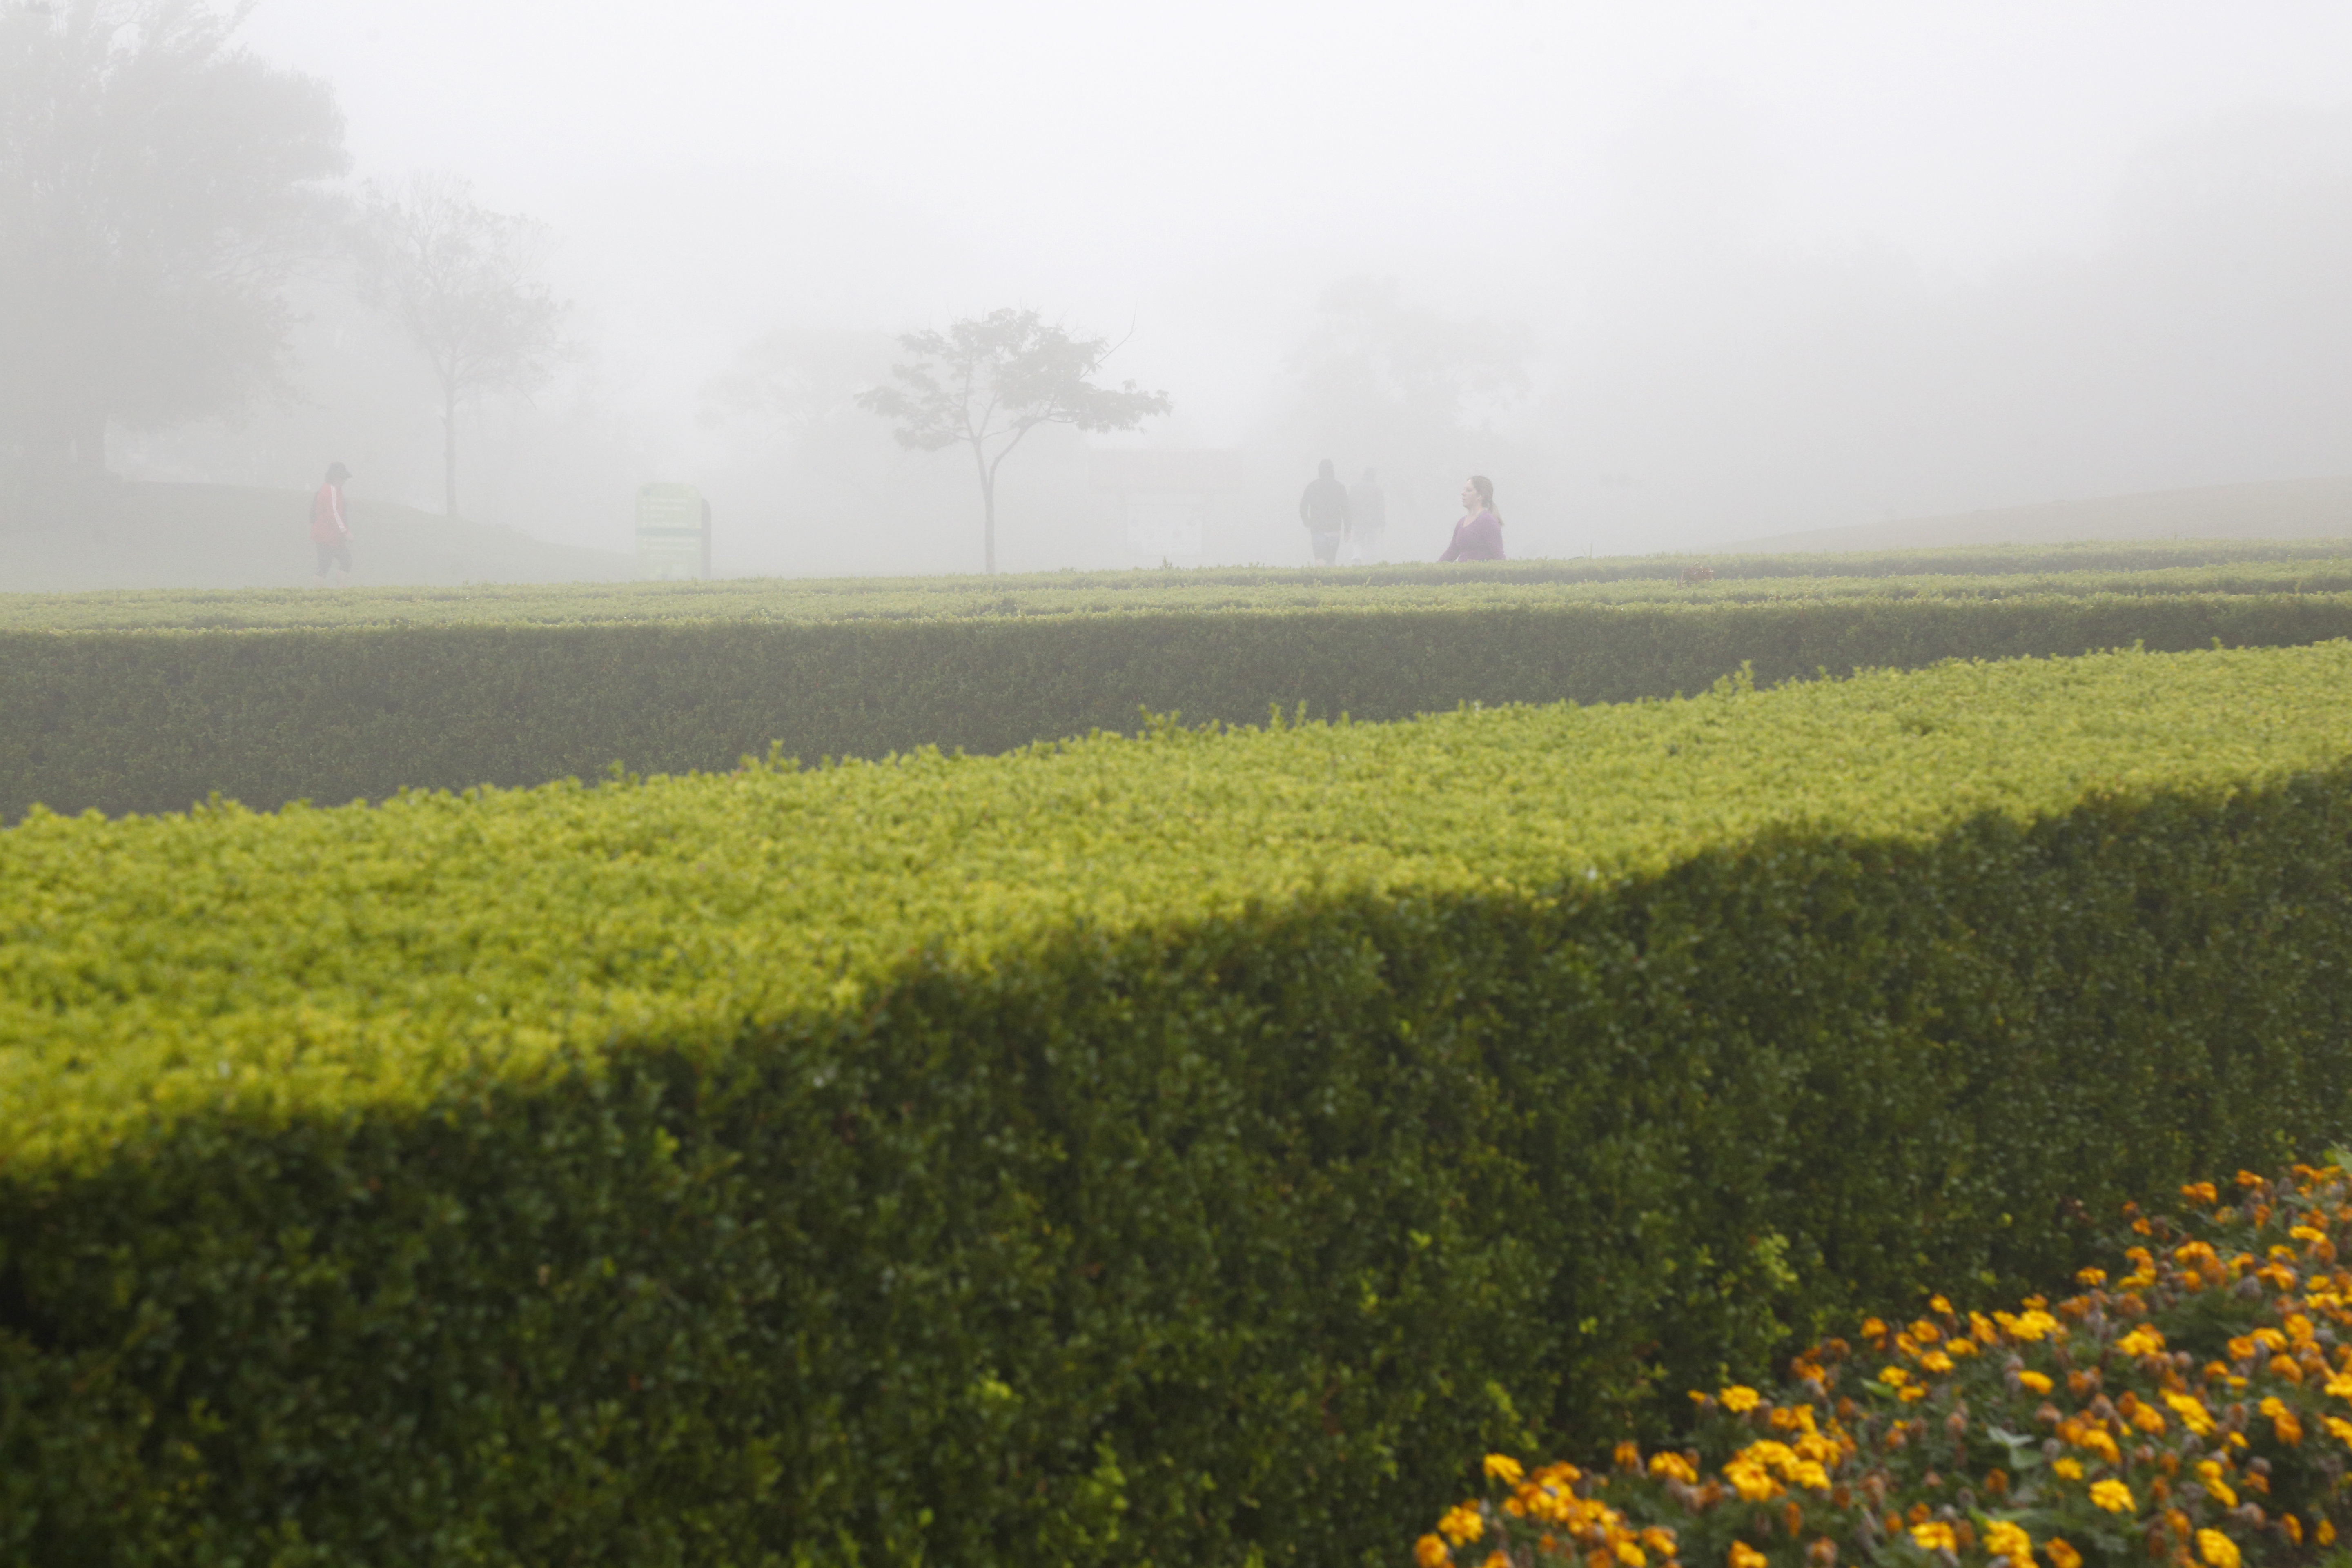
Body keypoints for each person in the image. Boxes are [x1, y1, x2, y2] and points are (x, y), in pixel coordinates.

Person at [1437, 474, 1506, 561]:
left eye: (1468, 490)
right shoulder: (1461, 522)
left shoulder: (1488, 521)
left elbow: (1499, 557)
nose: (1463, 493)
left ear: (1481, 496)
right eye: (1464, 489)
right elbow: (1452, 552)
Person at [1298, 458, 1351, 566]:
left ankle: (1320, 581)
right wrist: (1348, 528)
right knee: (1331, 560)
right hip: (1334, 528)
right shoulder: (1339, 487)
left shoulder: (1312, 487)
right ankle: (1332, 581)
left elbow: (1303, 506)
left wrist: (1306, 521)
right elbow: (1346, 508)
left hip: (1317, 528)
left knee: (1320, 559)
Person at [310, 461, 354, 586]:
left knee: (331, 563)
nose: (344, 481)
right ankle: (323, 596)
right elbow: (333, 514)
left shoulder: (333, 490)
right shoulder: (331, 490)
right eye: (342, 478)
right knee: (331, 563)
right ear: (335, 477)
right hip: (327, 534)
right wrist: (345, 532)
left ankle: (330, 594)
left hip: (329, 534)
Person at [1348, 466, 1387, 564]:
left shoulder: (1355, 487)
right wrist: (1382, 523)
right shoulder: (1378, 489)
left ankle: (1357, 557)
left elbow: (1350, 504)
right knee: (1371, 542)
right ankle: (1370, 561)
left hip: (1358, 520)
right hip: (1373, 521)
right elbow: (1381, 507)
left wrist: (1349, 519)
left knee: (1358, 540)